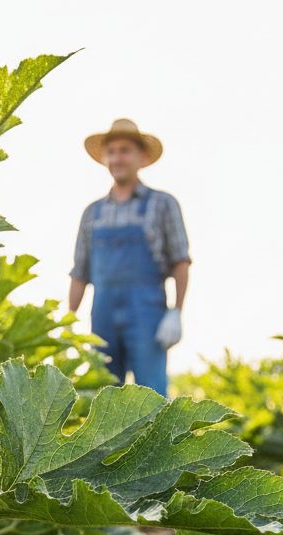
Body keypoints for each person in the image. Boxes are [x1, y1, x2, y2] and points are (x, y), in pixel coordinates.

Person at [68, 118, 191, 395]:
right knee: (101, 396)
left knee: (152, 398)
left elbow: (180, 262)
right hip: (102, 317)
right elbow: (79, 273)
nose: (117, 158)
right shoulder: (92, 213)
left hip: (147, 314)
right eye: (111, 152)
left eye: (124, 150)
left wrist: (177, 312)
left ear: (141, 157)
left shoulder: (162, 204)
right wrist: (68, 322)